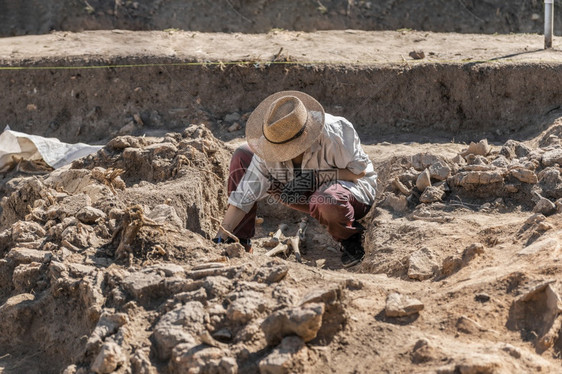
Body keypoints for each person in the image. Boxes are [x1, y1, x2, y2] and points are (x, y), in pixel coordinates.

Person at [213, 90, 377, 267]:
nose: (280, 154)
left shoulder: (335, 132)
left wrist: (316, 177)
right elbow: (244, 194)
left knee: (326, 199)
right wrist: (222, 235)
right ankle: (238, 241)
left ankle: (350, 238)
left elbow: (358, 172)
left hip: (349, 191)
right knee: (243, 155)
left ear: (305, 136)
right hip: (298, 189)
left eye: (287, 148)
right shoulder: (270, 143)